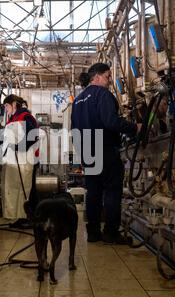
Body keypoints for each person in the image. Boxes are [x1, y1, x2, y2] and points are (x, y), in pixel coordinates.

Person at [71, 63, 139, 244]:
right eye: (108, 76)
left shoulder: (78, 100)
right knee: (112, 192)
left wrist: (83, 154)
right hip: (105, 149)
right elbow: (111, 122)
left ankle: (93, 233)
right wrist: (134, 127)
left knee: (93, 193)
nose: (110, 81)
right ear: (97, 77)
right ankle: (110, 233)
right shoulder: (103, 95)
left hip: (88, 153)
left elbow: (74, 132)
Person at [0, 94, 39, 229]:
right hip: (15, 160)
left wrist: (19, 147)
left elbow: (32, 136)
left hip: (26, 159)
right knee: (16, 189)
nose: (6, 109)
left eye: (6, 106)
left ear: (14, 104)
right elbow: (5, 138)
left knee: (26, 189)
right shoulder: (12, 120)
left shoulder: (26, 117)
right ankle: (19, 217)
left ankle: (30, 218)